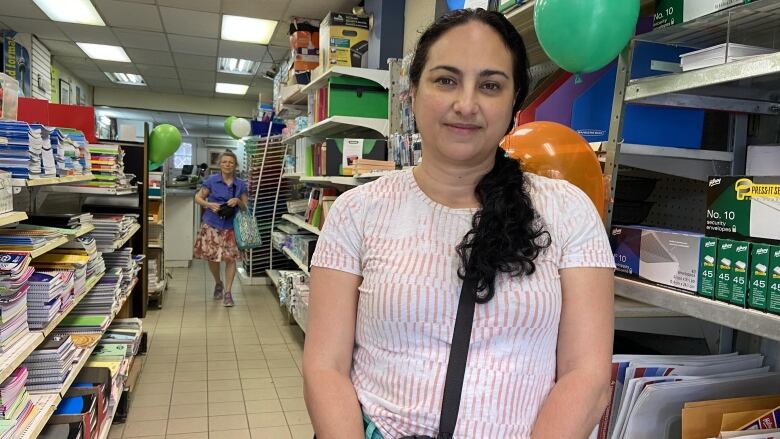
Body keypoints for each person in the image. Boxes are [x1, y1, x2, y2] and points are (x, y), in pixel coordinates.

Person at [303, 9, 615, 439]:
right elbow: (325, 366)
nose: (466, 105)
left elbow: (587, 375)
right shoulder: (358, 211)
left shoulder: (567, 211)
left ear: (514, 102)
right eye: (445, 80)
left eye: (490, 85)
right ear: (412, 91)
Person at [193, 150, 248, 307]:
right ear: (220, 164)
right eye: (224, 162)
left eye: (231, 162)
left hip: (231, 226)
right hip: (212, 224)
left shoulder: (241, 184)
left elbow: (245, 208)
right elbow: (198, 198)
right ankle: (218, 282)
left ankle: (228, 292)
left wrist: (238, 201)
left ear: (235, 165)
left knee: (230, 259)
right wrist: (209, 204)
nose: (227, 165)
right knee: (212, 258)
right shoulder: (211, 180)